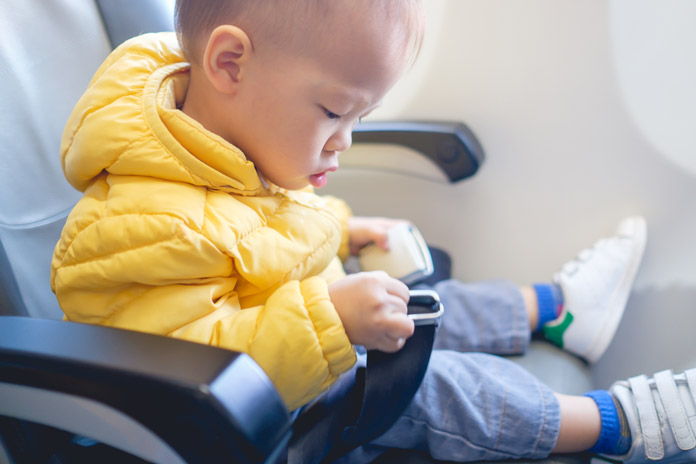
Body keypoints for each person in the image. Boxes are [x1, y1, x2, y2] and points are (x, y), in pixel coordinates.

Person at [50, 0, 696, 462]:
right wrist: (332, 320)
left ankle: (554, 311)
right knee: (421, 384)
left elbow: (269, 226)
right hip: (245, 415)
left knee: (416, 304)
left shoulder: (220, 139)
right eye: (334, 111)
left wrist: (344, 228)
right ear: (228, 65)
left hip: (295, 339)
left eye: (360, 116)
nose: (347, 141)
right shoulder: (142, 228)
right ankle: (613, 425)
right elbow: (200, 376)